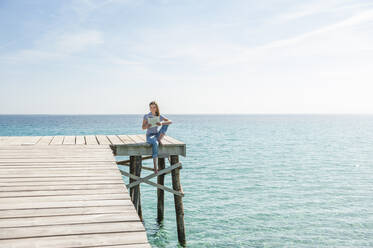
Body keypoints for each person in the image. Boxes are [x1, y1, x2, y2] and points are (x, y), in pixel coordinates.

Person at [142, 101, 172, 173]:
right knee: (155, 143)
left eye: (154, 107)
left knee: (166, 124)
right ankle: (155, 167)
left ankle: (159, 139)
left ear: (156, 108)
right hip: (150, 136)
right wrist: (147, 126)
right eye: (151, 107)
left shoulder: (159, 116)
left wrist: (161, 123)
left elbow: (170, 121)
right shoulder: (146, 116)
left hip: (157, 134)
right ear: (149, 108)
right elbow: (143, 127)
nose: (152, 109)